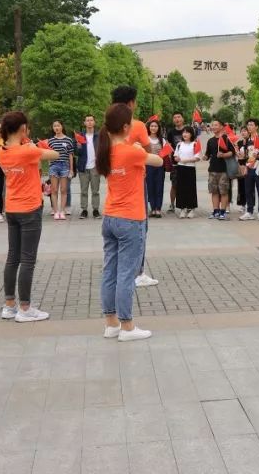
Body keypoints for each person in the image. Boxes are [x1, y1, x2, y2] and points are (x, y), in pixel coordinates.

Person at [96, 103, 164, 342]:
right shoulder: (130, 151)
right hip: (130, 219)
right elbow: (157, 161)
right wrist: (137, 146)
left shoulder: (104, 151)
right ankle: (127, 326)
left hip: (110, 217)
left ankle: (111, 323)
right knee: (127, 273)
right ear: (125, 127)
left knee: (110, 271)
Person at [0, 111, 60, 323]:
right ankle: (25, 308)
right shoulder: (28, 150)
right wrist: (37, 145)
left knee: (12, 257)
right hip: (29, 209)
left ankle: (9, 305)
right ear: (23, 129)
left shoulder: (1, 151)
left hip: (12, 208)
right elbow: (54, 155)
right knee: (28, 260)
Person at [110, 85, 158, 288]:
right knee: (140, 228)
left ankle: (118, 270)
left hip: (114, 181)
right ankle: (137, 272)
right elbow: (149, 152)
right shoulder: (137, 125)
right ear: (131, 102)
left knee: (115, 231)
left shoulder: (107, 127)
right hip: (136, 181)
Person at [45, 120, 75, 219]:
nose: (56, 128)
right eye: (54, 126)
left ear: (62, 127)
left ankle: (62, 211)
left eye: (58, 125)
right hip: (54, 166)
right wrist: (50, 166)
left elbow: (70, 155)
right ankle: (56, 211)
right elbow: (48, 154)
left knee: (63, 190)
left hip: (64, 166)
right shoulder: (50, 141)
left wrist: (71, 169)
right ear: (53, 128)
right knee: (54, 190)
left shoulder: (68, 140)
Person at [240, 119, 259, 221]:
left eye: (251, 125)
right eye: (248, 125)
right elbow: (246, 156)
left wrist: (258, 156)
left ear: (256, 127)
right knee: (248, 191)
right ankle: (249, 212)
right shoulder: (247, 140)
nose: (249, 127)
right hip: (249, 168)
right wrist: (245, 167)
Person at [205, 120, 234, 221]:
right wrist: (204, 157)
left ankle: (223, 212)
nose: (213, 127)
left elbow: (232, 152)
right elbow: (208, 154)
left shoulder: (226, 139)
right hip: (212, 170)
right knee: (214, 192)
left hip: (224, 170)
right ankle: (215, 211)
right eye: (212, 125)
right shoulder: (210, 141)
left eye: (216, 125)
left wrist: (223, 155)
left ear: (221, 127)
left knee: (224, 192)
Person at [173, 126, 201, 218]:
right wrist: (177, 158)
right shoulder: (179, 144)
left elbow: (197, 157)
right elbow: (176, 156)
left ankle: (191, 209)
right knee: (181, 189)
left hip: (190, 168)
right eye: (184, 132)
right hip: (180, 168)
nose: (185, 134)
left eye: (187, 132)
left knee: (190, 189)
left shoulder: (195, 144)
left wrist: (187, 160)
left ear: (191, 134)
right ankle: (182, 209)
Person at [77, 114, 102, 219]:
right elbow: (76, 152)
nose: (89, 122)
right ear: (84, 123)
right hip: (83, 166)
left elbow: (103, 150)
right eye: (87, 120)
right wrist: (78, 147)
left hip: (95, 166)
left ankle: (96, 210)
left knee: (95, 190)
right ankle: (84, 210)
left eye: (91, 120)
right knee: (83, 190)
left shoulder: (99, 136)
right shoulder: (80, 136)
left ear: (94, 122)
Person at [145, 119, 166, 217]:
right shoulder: (145, 139)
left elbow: (166, 152)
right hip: (148, 165)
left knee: (159, 187)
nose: (153, 128)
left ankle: (158, 208)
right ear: (149, 127)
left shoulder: (162, 140)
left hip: (159, 166)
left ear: (158, 128)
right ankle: (152, 208)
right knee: (150, 186)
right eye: (152, 126)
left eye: (155, 126)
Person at [166, 112, 187, 213]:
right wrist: (170, 158)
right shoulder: (171, 132)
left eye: (179, 117)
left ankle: (185, 204)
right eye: (175, 117)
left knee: (186, 184)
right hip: (175, 162)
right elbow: (169, 146)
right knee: (174, 184)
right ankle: (172, 204)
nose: (177, 119)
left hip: (187, 162)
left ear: (183, 119)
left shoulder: (188, 130)